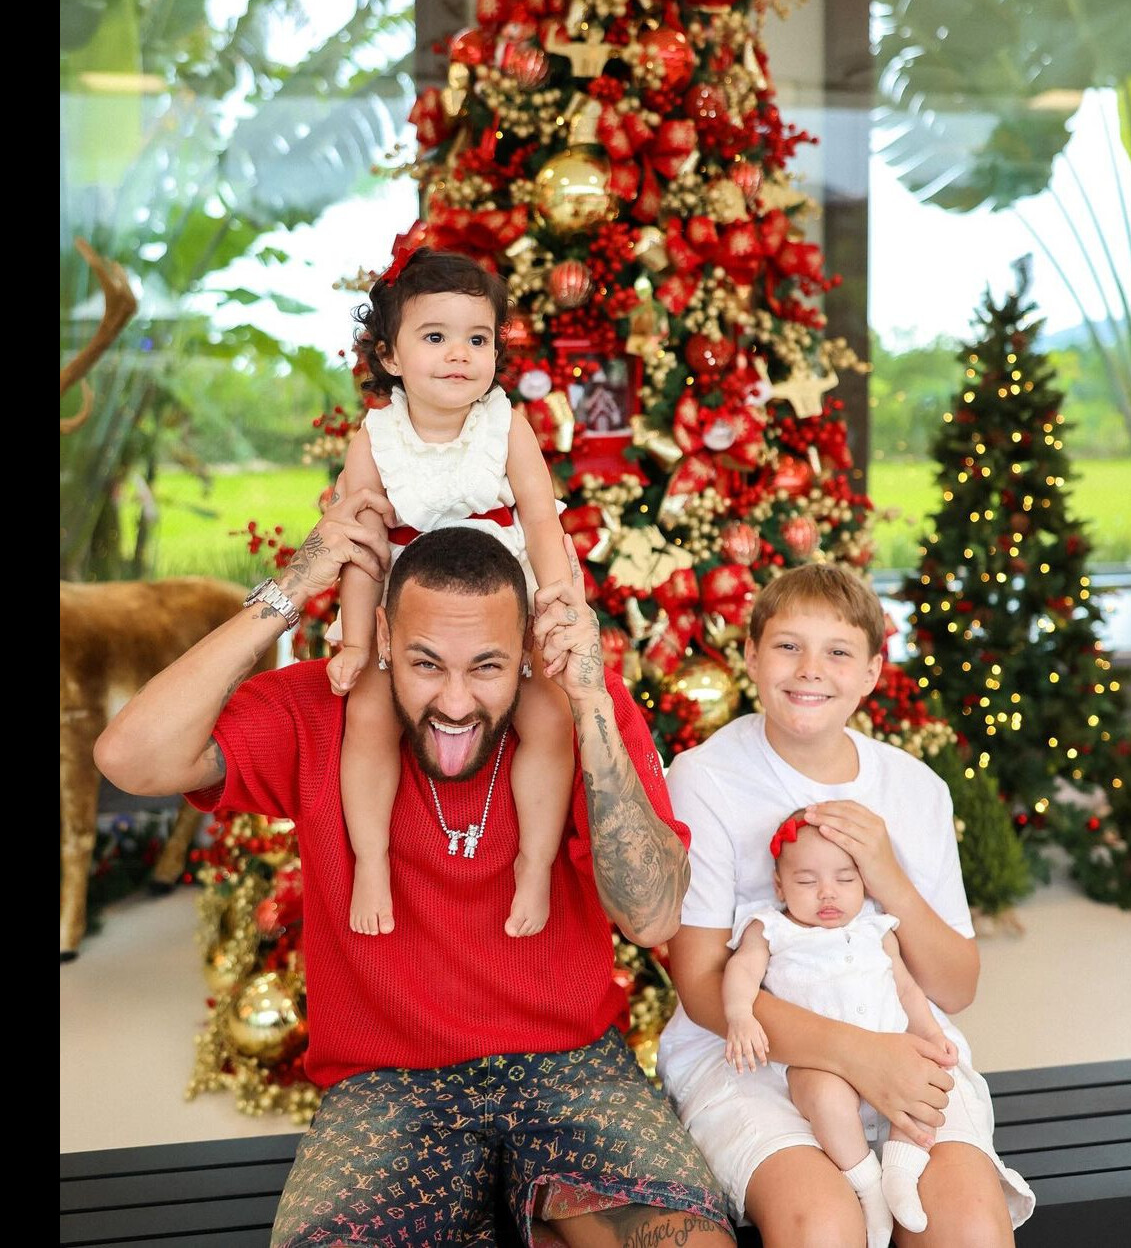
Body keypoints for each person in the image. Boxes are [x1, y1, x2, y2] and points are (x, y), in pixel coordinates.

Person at [94, 515, 735, 1247]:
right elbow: (130, 757)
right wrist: (291, 591)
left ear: (525, 649)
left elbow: (652, 916)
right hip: (386, 1084)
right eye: (426, 663)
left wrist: (588, 702)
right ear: (387, 640)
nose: (456, 703)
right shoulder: (319, 705)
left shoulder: (583, 706)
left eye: (487, 667)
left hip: (572, 1067)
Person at [656, 563, 1036, 1247]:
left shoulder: (914, 787)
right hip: (751, 1056)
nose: (810, 669)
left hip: (900, 1035)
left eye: (837, 651)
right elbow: (702, 984)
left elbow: (956, 985)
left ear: (871, 671)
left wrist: (886, 872)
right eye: (786, 645)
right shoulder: (705, 778)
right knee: (823, 1225)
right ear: (749, 654)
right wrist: (858, 1055)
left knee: (969, 1226)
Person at [328, 244, 575, 939]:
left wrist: (556, 600)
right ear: (392, 355)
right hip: (413, 617)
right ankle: (372, 860)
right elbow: (361, 550)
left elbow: (539, 515)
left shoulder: (504, 425)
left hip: (505, 606)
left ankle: (535, 859)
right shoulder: (375, 440)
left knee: (550, 721)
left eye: (478, 338)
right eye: (435, 337)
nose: (458, 354)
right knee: (369, 717)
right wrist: (354, 642)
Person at [723, 812, 1033, 1248]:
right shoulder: (771, 928)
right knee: (826, 1100)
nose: (827, 893)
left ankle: (900, 1174)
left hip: (894, 1047)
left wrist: (929, 1033)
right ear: (779, 886)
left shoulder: (875, 926)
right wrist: (740, 1014)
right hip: (820, 1060)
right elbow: (741, 970)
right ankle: (867, 1183)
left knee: (925, 1088)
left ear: (863, 883)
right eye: (807, 881)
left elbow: (906, 988)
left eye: (844, 880)